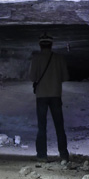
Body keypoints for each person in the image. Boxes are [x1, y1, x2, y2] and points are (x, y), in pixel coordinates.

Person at [29, 33, 71, 162]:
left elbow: (32, 77)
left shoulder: (36, 58)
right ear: (51, 44)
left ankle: (42, 155)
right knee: (59, 125)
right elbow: (65, 77)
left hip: (41, 95)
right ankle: (63, 154)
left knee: (42, 126)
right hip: (55, 95)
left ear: (40, 45)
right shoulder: (59, 58)